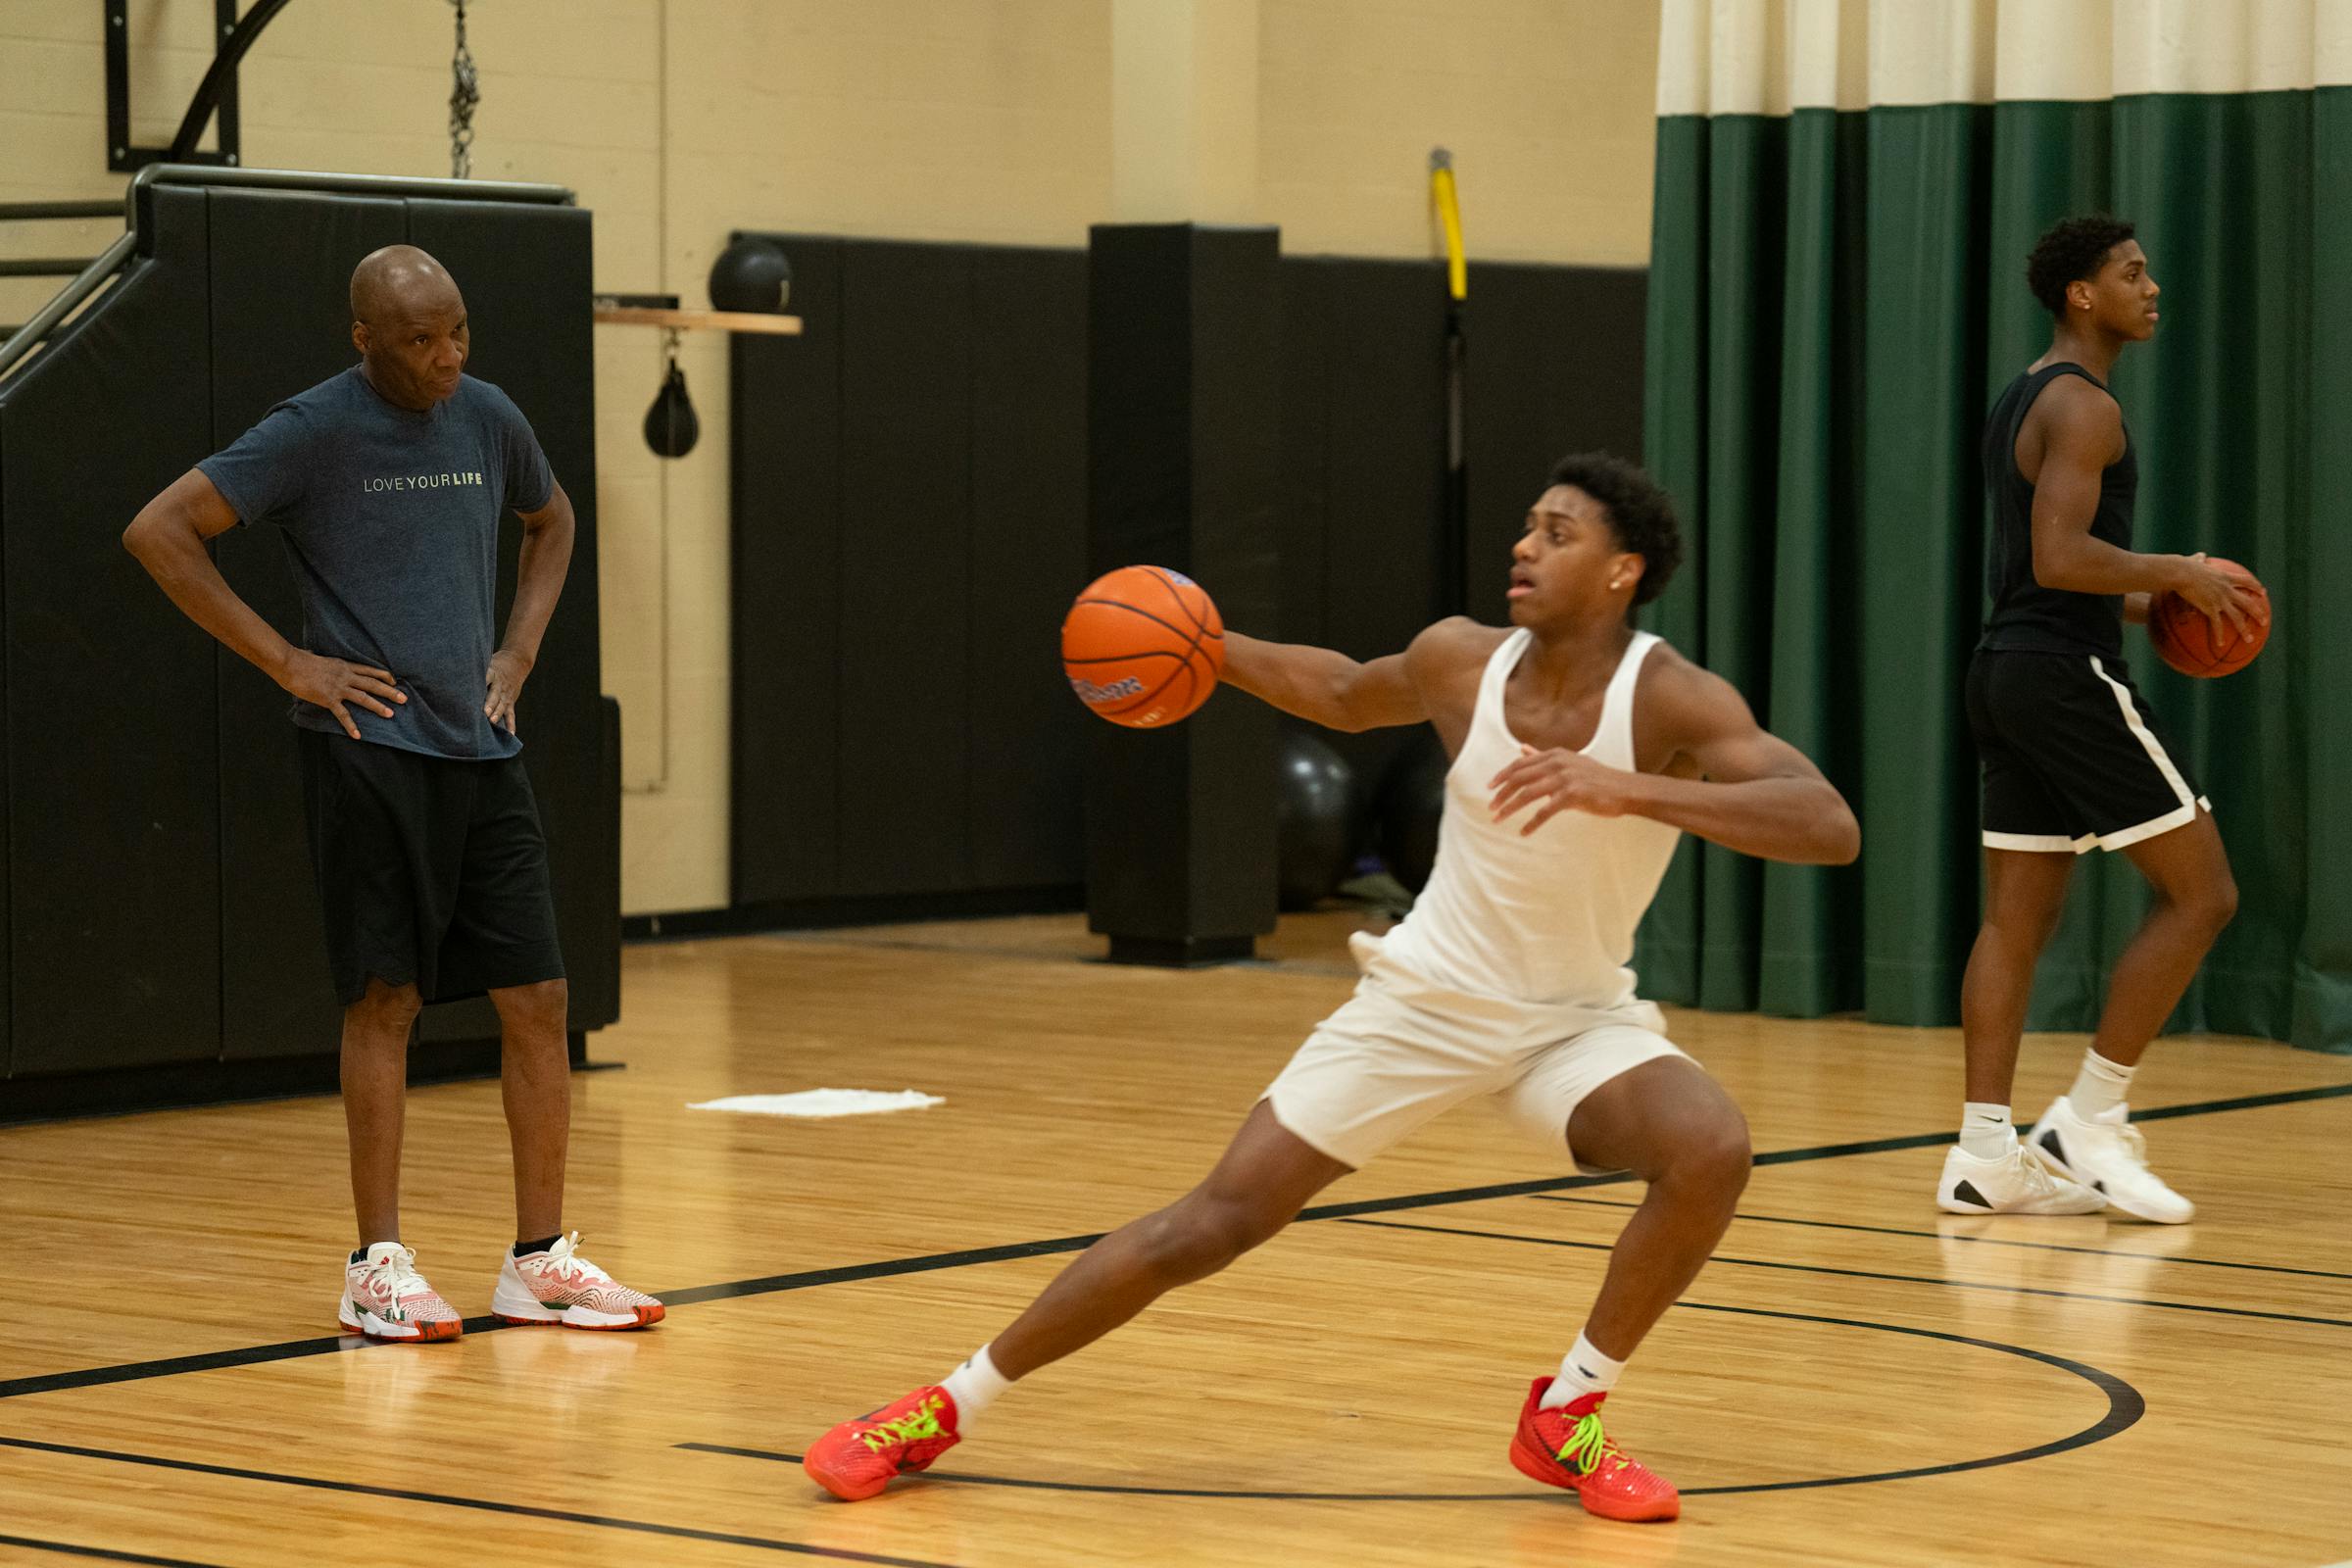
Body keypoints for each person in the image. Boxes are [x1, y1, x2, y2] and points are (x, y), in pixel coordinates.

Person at [804, 453, 1858, 1522]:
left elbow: (1828, 824)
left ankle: (1566, 1413)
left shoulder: (1670, 695)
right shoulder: (1461, 659)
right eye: (1527, 526)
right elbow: (1347, 693)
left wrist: (1625, 786)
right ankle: (941, 1406)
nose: (1524, 547)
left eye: (1557, 532)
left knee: (1709, 1146)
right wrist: (1204, 648)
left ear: (1624, 569)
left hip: (1573, 1022)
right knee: (1212, 1222)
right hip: (1423, 1005)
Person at [122, 245, 662, 1340]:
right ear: (363, 339)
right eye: (418, 340)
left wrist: (515, 654)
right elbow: (159, 530)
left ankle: (540, 1261)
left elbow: (552, 522)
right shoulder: (312, 429)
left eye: (457, 331)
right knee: (386, 1003)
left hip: (483, 752)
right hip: (367, 751)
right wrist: (292, 663)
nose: (445, 358)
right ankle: (376, 1267)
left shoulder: (489, 415)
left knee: (542, 999)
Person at [1938, 216, 2267, 1222]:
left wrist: (2169, 602)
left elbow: (2048, 573)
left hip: (2006, 665)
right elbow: (2059, 559)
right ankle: (2090, 1117)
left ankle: (1982, 1152)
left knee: (2016, 919)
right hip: (2063, 675)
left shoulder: (2023, 396)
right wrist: (2178, 569)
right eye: (2132, 273)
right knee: (2204, 894)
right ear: (2083, 294)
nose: (2152, 286)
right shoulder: (2086, 410)